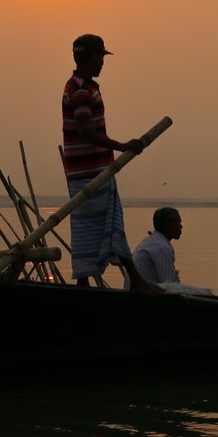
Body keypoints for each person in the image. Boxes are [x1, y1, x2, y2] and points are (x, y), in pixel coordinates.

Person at [60, 33, 161, 294]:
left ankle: (83, 284)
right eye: (100, 57)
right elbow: (85, 131)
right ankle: (135, 280)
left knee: (88, 229)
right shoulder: (80, 89)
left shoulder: (82, 86)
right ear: (92, 57)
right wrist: (122, 146)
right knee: (110, 226)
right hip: (90, 173)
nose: (102, 63)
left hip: (90, 171)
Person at [132, 207, 183, 286]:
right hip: (142, 293)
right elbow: (170, 285)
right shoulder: (162, 248)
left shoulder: (152, 240)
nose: (181, 227)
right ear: (168, 225)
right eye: (178, 223)